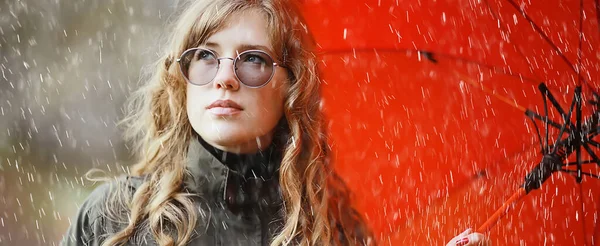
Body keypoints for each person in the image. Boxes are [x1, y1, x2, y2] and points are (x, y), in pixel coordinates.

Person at [61, 0, 489, 245]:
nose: (225, 77)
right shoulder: (115, 220)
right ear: (182, 78)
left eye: (253, 60)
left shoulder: (332, 232)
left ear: (291, 87)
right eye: (205, 56)